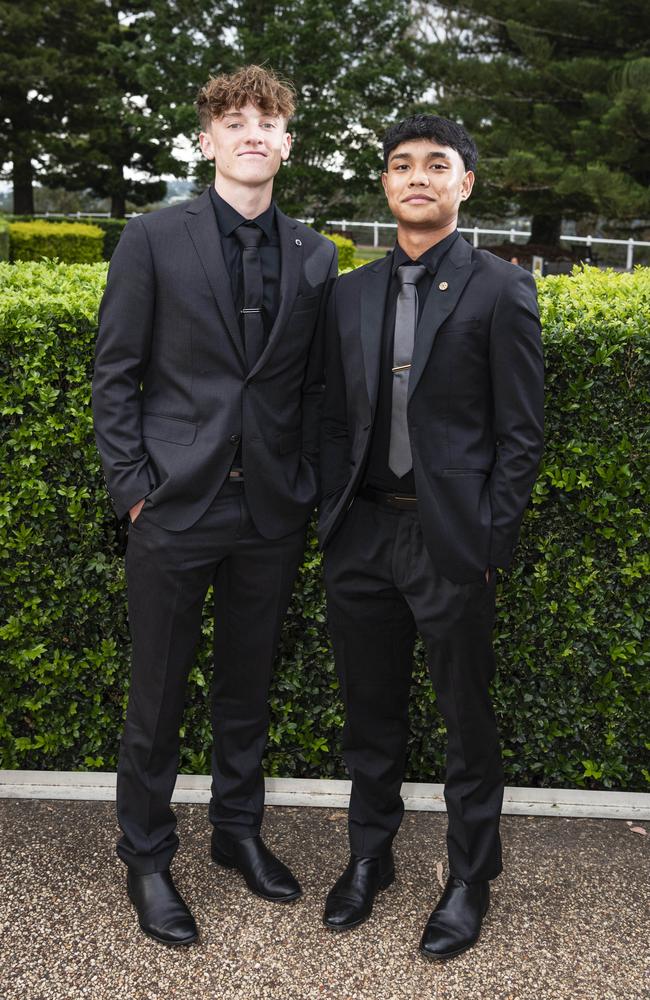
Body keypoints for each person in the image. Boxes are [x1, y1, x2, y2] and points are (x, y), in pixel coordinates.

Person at [92, 65, 337, 946]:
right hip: (173, 507)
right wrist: (132, 488)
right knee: (155, 696)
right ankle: (148, 859)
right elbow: (116, 372)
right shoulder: (152, 238)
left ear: (287, 141)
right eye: (234, 121)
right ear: (207, 140)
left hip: (270, 512)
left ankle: (236, 833)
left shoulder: (317, 254)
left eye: (267, 121)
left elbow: (313, 388)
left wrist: (303, 483)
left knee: (246, 690)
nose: (251, 134)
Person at [319, 114, 544, 960]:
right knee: (369, 717)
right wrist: (332, 517)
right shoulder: (348, 292)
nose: (418, 176)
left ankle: (467, 879)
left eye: (436, 165)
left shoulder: (499, 287)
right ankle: (369, 857)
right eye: (401, 165)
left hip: (452, 542)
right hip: (363, 533)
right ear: (385, 184)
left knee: (464, 720)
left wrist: (489, 540)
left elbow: (521, 434)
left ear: (464, 185)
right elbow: (329, 415)